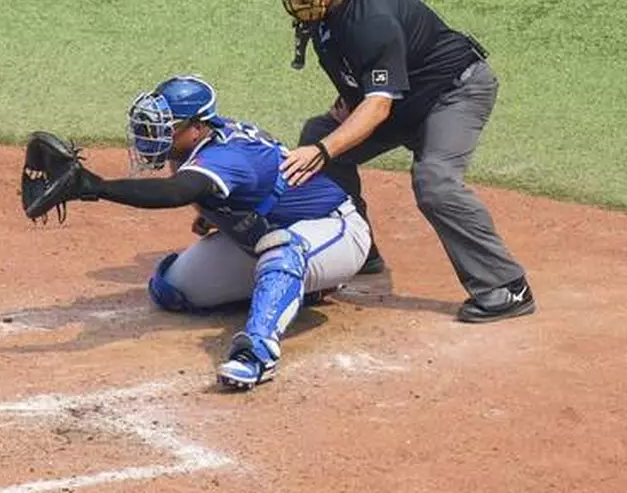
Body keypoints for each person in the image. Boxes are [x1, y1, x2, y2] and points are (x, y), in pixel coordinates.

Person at [28, 74, 372, 390]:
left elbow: (176, 193)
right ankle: (301, 287)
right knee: (171, 290)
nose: (153, 135)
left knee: (283, 252)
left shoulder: (225, 155)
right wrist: (216, 216)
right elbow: (229, 188)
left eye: (167, 127)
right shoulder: (192, 149)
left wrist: (94, 186)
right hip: (260, 237)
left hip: (335, 229)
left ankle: (257, 355)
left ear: (197, 127)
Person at [273, 0, 534, 323]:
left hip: (453, 93)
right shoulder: (325, 9)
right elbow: (362, 78)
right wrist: (345, 106)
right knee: (318, 133)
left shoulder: (372, 19)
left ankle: (506, 287)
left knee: (435, 180)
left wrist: (327, 148)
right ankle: (355, 251)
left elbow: (377, 106)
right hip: (402, 99)